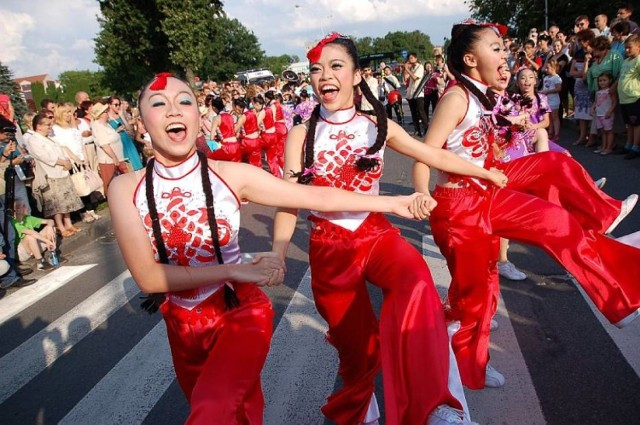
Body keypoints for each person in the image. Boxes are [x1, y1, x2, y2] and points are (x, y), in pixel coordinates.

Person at [108, 72, 430, 425]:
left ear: (199, 117)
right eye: (159, 104)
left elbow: (314, 195)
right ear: (141, 124)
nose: (173, 110)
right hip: (181, 325)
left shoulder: (233, 175)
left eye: (184, 101)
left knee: (212, 410)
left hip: (239, 313)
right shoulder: (124, 188)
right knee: (239, 413)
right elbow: (150, 278)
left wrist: (393, 203)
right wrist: (235, 267)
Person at [272, 32, 510, 425]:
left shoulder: (377, 126)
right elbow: (288, 198)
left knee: (418, 282)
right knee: (357, 350)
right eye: (316, 69)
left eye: (335, 66)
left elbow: (433, 153)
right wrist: (279, 253)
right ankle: (362, 411)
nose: (324, 76)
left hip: (375, 234)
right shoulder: (300, 134)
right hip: (329, 248)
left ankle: (435, 402)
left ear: (356, 74)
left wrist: (484, 171)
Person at [412, 20, 640, 391]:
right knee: (478, 295)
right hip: (458, 207)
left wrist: (503, 138)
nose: (505, 54)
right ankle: (465, 364)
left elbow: (489, 138)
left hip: (491, 187)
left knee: (556, 199)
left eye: (503, 47)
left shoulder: (484, 94)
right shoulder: (456, 97)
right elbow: (424, 154)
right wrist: (421, 194)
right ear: (470, 58)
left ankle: (618, 294)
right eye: (496, 47)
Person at [28, 113, 84, 238]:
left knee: (66, 200)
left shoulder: (50, 138)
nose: (50, 127)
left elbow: (61, 151)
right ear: (39, 126)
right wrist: (62, 162)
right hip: (50, 175)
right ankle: (60, 226)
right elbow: (45, 157)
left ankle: (68, 223)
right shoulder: (34, 140)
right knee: (56, 203)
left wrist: (67, 161)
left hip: (62, 172)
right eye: (47, 125)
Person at [12, 199, 66, 271]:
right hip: (23, 252)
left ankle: (52, 255)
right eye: (24, 206)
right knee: (29, 237)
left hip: (34, 246)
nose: (27, 207)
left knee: (50, 228)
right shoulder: (14, 223)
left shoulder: (27, 218)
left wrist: (50, 227)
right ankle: (40, 262)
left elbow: (50, 221)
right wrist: (47, 241)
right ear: (17, 210)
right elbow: (32, 233)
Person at [91, 102, 128, 190]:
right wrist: (114, 157)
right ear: (101, 114)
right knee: (112, 183)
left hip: (117, 158)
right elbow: (104, 144)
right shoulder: (98, 126)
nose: (107, 112)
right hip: (109, 161)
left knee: (122, 182)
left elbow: (110, 137)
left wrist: (117, 131)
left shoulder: (106, 124)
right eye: (105, 111)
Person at [617, 34, 640, 159]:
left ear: (638, 47)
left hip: (634, 97)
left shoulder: (638, 60)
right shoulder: (626, 61)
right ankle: (628, 144)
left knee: (636, 124)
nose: (626, 50)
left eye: (629, 48)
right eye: (625, 48)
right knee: (629, 124)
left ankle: (636, 147)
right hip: (624, 98)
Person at [107, 96, 143, 171]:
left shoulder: (119, 115)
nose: (118, 106)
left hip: (126, 139)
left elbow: (129, 128)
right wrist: (117, 130)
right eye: (116, 105)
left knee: (134, 161)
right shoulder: (107, 118)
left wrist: (122, 116)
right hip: (117, 142)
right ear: (109, 105)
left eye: (119, 104)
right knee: (126, 165)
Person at [590, 72, 618, 155]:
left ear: (610, 80)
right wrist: (592, 108)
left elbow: (614, 102)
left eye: (604, 80)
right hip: (599, 114)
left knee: (609, 131)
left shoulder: (610, 91)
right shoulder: (598, 92)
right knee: (602, 132)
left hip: (607, 115)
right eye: (600, 81)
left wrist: (609, 111)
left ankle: (609, 148)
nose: (602, 82)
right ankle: (603, 146)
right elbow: (596, 102)